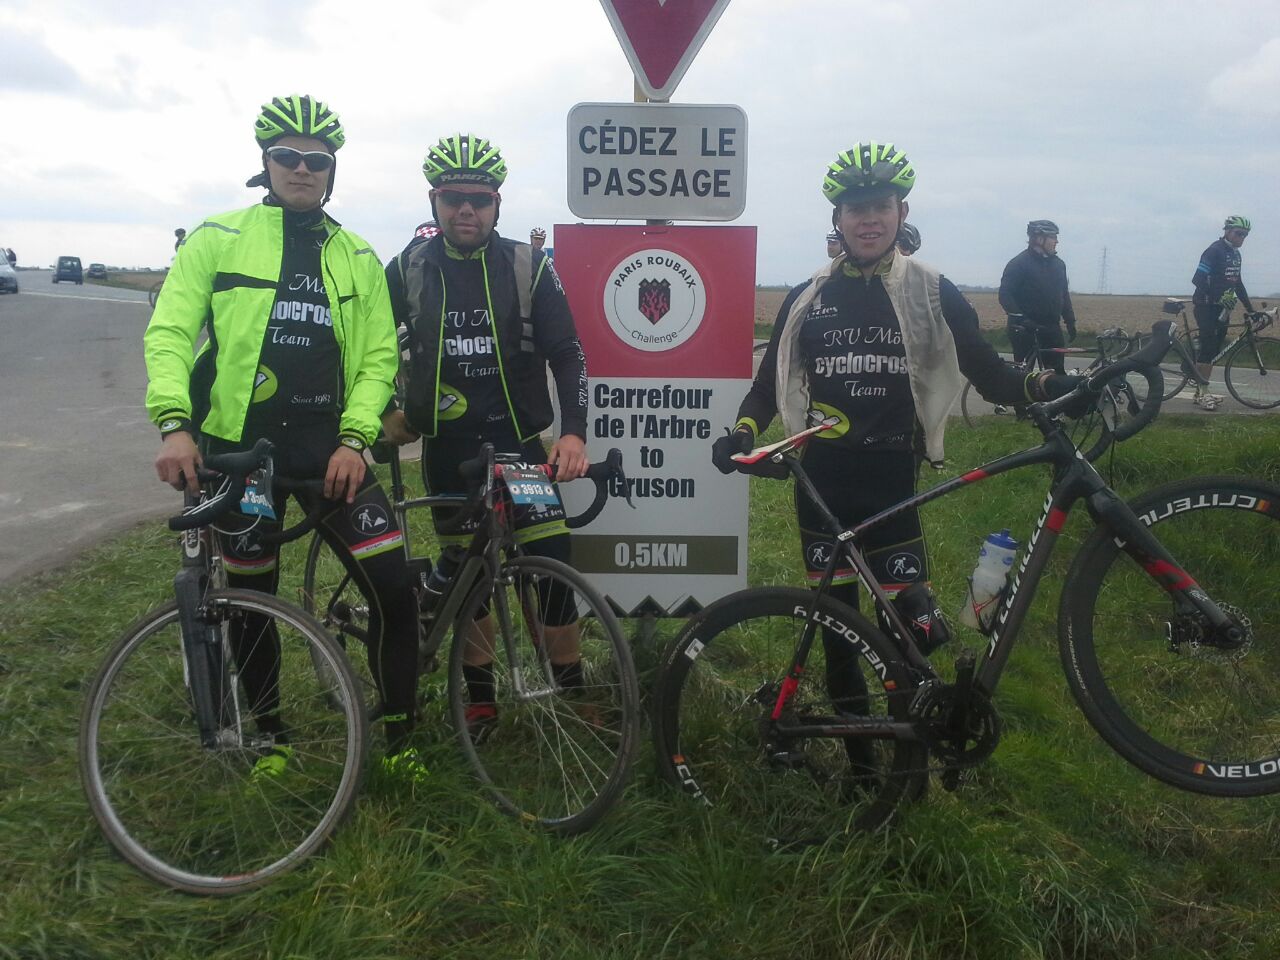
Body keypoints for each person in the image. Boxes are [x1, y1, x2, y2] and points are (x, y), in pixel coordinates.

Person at [711, 141, 1081, 780]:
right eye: (855, 208)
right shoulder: (808, 296)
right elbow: (769, 385)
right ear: (838, 219)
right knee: (838, 633)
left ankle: (910, 762)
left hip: (890, 479)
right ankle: (861, 768)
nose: (868, 219)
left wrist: (1049, 385)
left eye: (881, 206)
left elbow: (989, 373)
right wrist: (742, 432)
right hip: (822, 484)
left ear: (901, 211)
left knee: (908, 628)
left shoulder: (930, 291)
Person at [143, 94, 423, 779]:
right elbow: (171, 332)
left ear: (332, 172)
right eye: (287, 157)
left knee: (393, 589)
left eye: (316, 161)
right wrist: (175, 425)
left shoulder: (356, 254)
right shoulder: (218, 237)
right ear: (266, 164)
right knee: (251, 601)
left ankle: (400, 734)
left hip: (331, 451)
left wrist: (356, 440)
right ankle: (271, 738)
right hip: (241, 453)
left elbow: (378, 359)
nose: (302, 169)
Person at [381, 133, 590, 734]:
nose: (466, 210)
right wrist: (387, 410)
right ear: (435, 202)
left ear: (498, 203)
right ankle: (480, 700)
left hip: (519, 444)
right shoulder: (407, 269)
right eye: (453, 198)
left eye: (479, 199)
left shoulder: (528, 266)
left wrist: (573, 434)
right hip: (448, 448)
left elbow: (568, 354)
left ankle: (575, 694)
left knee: (551, 564)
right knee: (470, 577)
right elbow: (370, 349)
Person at [1190, 216, 1256, 410]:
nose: (1241, 238)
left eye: (1245, 235)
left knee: (1213, 351)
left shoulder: (1236, 254)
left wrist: (1250, 309)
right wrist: (1217, 297)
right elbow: (1197, 279)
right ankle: (1203, 393)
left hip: (1222, 310)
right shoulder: (1214, 251)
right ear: (1227, 231)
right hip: (1205, 306)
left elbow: (1238, 283)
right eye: (1238, 233)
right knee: (1208, 349)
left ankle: (1200, 391)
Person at [998, 220, 1077, 374]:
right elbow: (1005, 295)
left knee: (1057, 375)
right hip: (1024, 328)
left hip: (1051, 327)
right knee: (1024, 376)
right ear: (1039, 239)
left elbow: (1063, 295)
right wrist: (1022, 319)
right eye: (1053, 237)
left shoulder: (1059, 265)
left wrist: (1070, 321)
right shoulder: (1018, 264)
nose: (1057, 241)